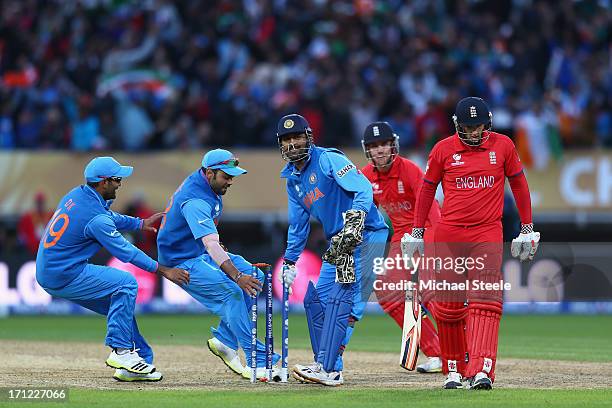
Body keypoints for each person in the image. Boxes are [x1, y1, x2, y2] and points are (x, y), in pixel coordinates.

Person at [402, 97, 540, 390]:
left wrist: (527, 228)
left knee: (486, 301)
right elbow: (426, 191)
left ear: (487, 124)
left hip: (487, 233)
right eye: (468, 128)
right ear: (457, 126)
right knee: (449, 306)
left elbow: (519, 184)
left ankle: (482, 370)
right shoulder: (442, 149)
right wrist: (416, 232)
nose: (474, 134)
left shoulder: (503, 145)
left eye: (478, 128)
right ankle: (453, 369)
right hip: (449, 235)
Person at [35, 156, 189, 382]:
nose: (120, 183)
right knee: (126, 283)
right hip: (65, 274)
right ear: (103, 182)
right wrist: (164, 270)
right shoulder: (96, 217)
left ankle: (138, 360)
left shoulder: (78, 195)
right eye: (116, 179)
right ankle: (122, 353)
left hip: (51, 271)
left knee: (120, 309)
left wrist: (139, 223)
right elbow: (127, 252)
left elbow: (108, 217)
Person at [276, 113, 388, 386]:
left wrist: (355, 220)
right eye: (287, 140)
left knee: (346, 306)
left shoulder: (328, 159)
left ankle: (329, 368)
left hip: (368, 234)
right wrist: (290, 261)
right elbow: (299, 225)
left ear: (309, 137)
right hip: (338, 242)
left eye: (297, 137)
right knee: (320, 302)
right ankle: (328, 366)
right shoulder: (293, 180)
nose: (293, 144)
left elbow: (363, 188)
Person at [156, 149, 281, 381]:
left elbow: (208, 236)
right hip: (181, 262)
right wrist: (235, 276)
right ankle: (259, 360)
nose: (231, 181)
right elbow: (212, 245)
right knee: (234, 292)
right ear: (210, 172)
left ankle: (224, 340)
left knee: (254, 276)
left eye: (233, 176)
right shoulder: (195, 200)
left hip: (196, 251)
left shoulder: (207, 183)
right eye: (227, 176)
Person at [360, 121, 443, 374]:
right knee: (386, 291)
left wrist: (439, 244)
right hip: (400, 237)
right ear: (368, 150)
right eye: (374, 146)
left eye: (384, 144)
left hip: (426, 230)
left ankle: (460, 350)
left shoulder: (409, 169)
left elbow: (431, 208)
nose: (380, 150)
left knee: (431, 293)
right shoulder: (366, 176)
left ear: (392, 145)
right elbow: (364, 212)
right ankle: (437, 353)